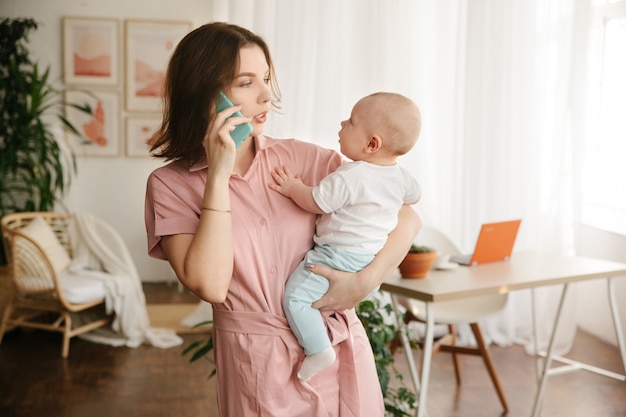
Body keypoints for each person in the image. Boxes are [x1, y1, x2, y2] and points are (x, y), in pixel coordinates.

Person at [144, 22, 421, 417]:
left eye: (267, 79)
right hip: (257, 366)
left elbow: (407, 217)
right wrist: (218, 176)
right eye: (246, 82)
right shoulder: (169, 186)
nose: (266, 96)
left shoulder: (306, 160)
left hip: (337, 348)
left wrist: (365, 280)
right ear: (204, 91)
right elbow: (211, 284)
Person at [268, 92, 422, 382]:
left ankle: (318, 350)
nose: (342, 123)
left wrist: (291, 187)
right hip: (369, 258)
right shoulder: (401, 177)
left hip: (336, 256)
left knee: (297, 298)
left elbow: (315, 201)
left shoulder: (351, 176)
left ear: (371, 144)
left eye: (351, 121)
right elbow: (415, 196)